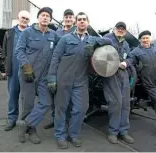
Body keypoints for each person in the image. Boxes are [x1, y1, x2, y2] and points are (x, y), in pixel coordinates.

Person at [47, 12, 112, 149]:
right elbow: (55, 58)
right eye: (79, 20)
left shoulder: (92, 39)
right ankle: (60, 136)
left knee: (81, 108)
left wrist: (95, 45)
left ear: (88, 22)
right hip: (64, 78)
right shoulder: (65, 39)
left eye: (84, 19)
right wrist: (52, 78)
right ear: (76, 23)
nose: (82, 22)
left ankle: (73, 134)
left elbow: (109, 41)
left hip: (81, 81)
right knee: (61, 108)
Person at [15, 7, 59, 144]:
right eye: (43, 15)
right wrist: (27, 67)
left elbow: (62, 48)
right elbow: (19, 50)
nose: (45, 17)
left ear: (50, 19)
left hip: (44, 77)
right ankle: (31, 131)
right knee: (27, 104)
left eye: (47, 16)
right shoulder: (28, 32)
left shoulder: (53, 35)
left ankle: (25, 124)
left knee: (46, 102)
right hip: (28, 74)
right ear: (38, 18)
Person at [124, 30, 156, 138]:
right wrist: (125, 63)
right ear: (140, 40)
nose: (145, 40)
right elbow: (130, 60)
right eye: (143, 38)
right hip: (149, 81)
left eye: (147, 38)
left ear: (149, 38)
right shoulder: (136, 51)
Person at [102, 22, 134, 144]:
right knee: (116, 103)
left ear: (125, 31)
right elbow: (98, 46)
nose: (120, 30)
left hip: (124, 74)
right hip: (111, 73)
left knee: (126, 103)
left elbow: (130, 57)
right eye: (118, 28)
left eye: (123, 29)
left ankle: (124, 131)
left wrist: (126, 62)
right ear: (114, 29)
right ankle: (113, 132)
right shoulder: (108, 39)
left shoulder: (126, 44)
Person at [44, 8, 76, 130]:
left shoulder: (77, 32)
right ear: (63, 19)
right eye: (66, 17)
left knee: (69, 99)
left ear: (74, 19)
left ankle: (67, 122)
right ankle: (55, 120)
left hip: (71, 70)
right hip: (56, 68)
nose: (68, 19)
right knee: (54, 96)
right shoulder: (57, 33)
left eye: (70, 17)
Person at [2, 10, 30, 131]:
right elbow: (5, 51)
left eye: (27, 19)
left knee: (26, 96)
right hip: (13, 69)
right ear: (18, 18)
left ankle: (26, 121)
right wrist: (6, 66)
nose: (24, 20)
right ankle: (11, 119)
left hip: (27, 69)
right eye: (22, 18)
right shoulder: (9, 33)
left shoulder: (31, 33)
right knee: (13, 94)